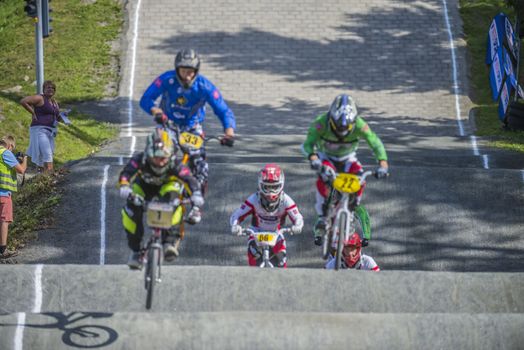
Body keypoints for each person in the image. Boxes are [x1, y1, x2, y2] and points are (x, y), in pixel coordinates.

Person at [139, 48, 236, 192]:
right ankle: (146, 190)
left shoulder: (205, 86)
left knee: (200, 164)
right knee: (156, 154)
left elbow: (223, 110)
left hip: (192, 128)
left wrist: (229, 132)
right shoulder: (167, 79)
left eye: (190, 72)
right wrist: (155, 110)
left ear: (196, 71)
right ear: (177, 69)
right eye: (183, 71)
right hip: (168, 124)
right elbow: (146, 99)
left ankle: (197, 202)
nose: (187, 76)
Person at [301, 93, 389, 247]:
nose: (342, 132)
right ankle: (322, 215)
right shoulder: (321, 123)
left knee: (361, 177)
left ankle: (354, 204)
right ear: (331, 120)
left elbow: (375, 143)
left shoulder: (360, 124)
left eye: (346, 128)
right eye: (338, 128)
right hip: (326, 156)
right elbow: (307, 144)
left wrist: (383, 163)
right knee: (324, 175)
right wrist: (313, 158)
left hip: (348, 158)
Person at [118, 128, 204, 269]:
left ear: (170, 155)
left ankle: (169, 242)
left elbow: (189, 178)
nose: (160, 162)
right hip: (144, 186)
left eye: (164, 157)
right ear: (148, 154)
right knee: (130, 210)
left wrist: (196, 194)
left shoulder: (175, 163)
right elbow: (126, 174)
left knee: (175, 202)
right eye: (156, 157)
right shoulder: (139, 159)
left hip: (167, 186)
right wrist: (124, 186)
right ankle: (135, 251)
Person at [229, 164, 304, 268]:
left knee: (281, 261)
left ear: (281, 185)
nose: (271, 192)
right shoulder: (254, 199)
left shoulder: (286, 200)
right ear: (260, 185)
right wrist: (235, 225)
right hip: (256, 232)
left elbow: (298, 217)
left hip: (277, 233)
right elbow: (237, 214)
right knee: (253, 253)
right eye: (267, 187)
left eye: (274, 187)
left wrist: (298, 226)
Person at [20, 80, 64, 173]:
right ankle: (49, 176)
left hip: (51, 132)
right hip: (40, 130)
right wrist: (32, 112)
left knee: (49, 154)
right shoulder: (40, 98)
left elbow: (57, 118)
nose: (50, 89)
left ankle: (43, 175)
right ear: (44, 89)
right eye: (48, 87)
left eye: (53, 88)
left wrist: (63, 117)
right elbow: (24, 101)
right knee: (47, 154)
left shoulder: (54, 102)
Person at [0, 136, 28, 259]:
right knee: (4, 221)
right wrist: (25, 159)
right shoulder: (6, 153)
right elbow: (21, 170)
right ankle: (3, 250)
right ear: (10, 146)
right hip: (3, 194)